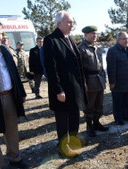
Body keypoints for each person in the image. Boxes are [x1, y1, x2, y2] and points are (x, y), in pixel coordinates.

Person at [43, 11, 87, 158]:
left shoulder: (70, 39)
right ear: (59, 23)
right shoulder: (51, 40)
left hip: (75, 87)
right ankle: (63, 147)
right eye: (69, 22)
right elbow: (51, 67)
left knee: (75, 117)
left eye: (72, 22)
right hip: (62, 90)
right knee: (63, 121)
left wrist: (83, 84)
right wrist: (58, 90)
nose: (72, 25)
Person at [0, 17, 30, 169]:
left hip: (8, 96)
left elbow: (13, 73)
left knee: (12, 129)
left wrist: (21, 93)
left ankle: (15, 158)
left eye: (0, 33)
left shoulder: (4, 50)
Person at [78, 25, 108, 137]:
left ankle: (96, 122)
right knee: (89, 105)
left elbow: (101, 65)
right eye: (92, 33)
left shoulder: (96, 47)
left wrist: (104, 78)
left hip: (99, 79)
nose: (95, 35)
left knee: (99, 104)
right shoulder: (81, 48)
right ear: (85, 35)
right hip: (89, 80)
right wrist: (84, 84)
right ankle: (89, 126)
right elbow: (80, 69)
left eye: (96, 33)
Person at [106, 31, 128, 125]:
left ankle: (125, 115)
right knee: (118, 101)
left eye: (127, 38)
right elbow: (111, 68)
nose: (127, 40)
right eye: (124, 39)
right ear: (118, 40)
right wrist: (112, 82)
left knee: (127, 100)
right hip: (118, 82)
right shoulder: (113, 51)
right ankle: (118, 118)